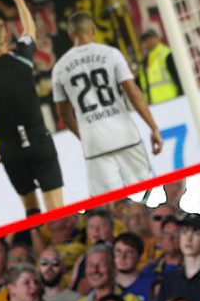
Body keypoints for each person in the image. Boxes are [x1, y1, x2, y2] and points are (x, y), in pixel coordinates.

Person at [0, 0, 64, 218]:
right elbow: (30, 30)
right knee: (56, 205)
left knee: (31, 210)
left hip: (11, 151)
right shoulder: (22, 58)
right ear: (5, 36)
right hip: (39, 141)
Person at [53, 11, 163, 196]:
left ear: (71, 35)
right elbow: (133, 92)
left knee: (107, 199)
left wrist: (84, 135)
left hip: (94, 142)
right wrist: (153, 128)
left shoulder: (60, 67)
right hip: (124, 134)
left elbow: (63, 113)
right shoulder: (111, 54)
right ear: (93, 30)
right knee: (147, 190)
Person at [137, 29, 182, 104]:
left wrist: (182, 99)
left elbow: (179, 79)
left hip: (173, 102)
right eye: (144, 40)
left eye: (150, 38)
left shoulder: (166, 55)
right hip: (155, 107)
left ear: (157, 38)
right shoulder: (145, 62)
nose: (147, 42)